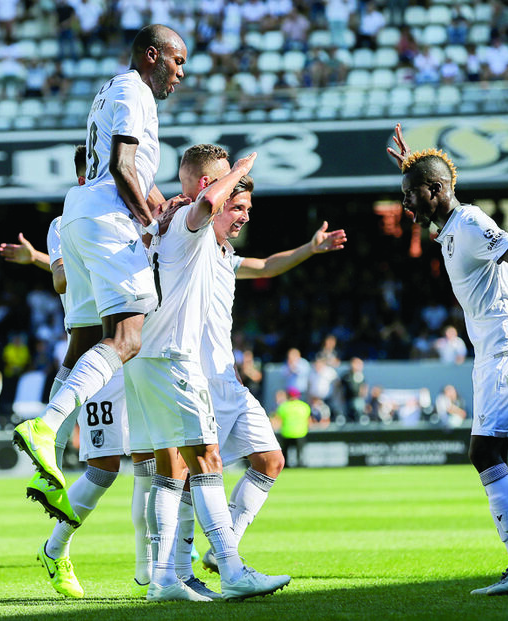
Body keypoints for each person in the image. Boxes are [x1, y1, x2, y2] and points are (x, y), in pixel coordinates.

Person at [387, 123, 508, 596]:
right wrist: (416, 169)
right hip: (494, 348)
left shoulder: (469, 223)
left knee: (483, 451)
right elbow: (438, 198)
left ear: (437, 191)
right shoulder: (451, 227)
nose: (405, 203)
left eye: (412, 194)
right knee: (493, 453)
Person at [11, 25, 187, 523]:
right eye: (177, 62)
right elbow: (122, 164)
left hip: (79, 215)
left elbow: (125, 170)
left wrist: (159, 201)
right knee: (127, 337)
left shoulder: (108, 87)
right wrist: (150, 221)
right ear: (152, 55)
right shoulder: (135, 90)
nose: (181, 74)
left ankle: (49, 452)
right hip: (109, 217)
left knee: (86, 336)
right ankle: (45, 427)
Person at [123, 149, 291, 602]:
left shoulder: (160, 225)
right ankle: (231, 569)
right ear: (207, 187)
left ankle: (163, 579)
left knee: (170, 471)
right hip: (175, 358)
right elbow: (201, 207)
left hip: (144, 355)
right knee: (207, 461)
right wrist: (238, 171)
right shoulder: (187, 222)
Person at [1, 145, 156, 598]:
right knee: (105, 468)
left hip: (136, 349)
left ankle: (151, 573)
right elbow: (63, 280)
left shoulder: (133, 209)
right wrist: (52, 258)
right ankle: (56, 547)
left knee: (152, 462)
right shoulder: (67, 220)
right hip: (98, 355)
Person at [193, 172, 346, 576]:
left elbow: (264, 266)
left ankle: (221, 549)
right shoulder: (198, 243)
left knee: (270, 459)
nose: (244, 216)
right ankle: (169, 569)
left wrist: (310, 249)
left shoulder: (226, 254)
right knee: (189, 478)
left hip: (230, 381)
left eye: (248, 209)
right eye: (237, 207)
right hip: (201, 383)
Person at [272, 388, 311, 466]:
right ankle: (300, 465)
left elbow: (277, 420)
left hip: (287, 432)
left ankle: (285, 466)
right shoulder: (304, 406)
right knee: (300, 453)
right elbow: (308, 420)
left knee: (285, 453)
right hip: (301, 433)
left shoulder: (283, 406)